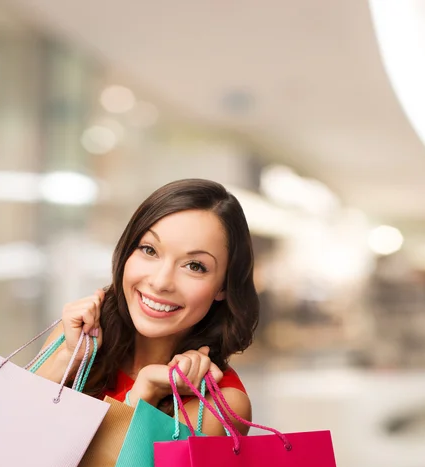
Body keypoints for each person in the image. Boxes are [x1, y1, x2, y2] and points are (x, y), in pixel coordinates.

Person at [36, 179, 259, 435]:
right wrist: (68, 359)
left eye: (195, 266)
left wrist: (143, 395)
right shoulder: (74, 341)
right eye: (149, 250)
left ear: (224, 287)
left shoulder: (219, 404)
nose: (161, 281)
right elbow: (4, 437)